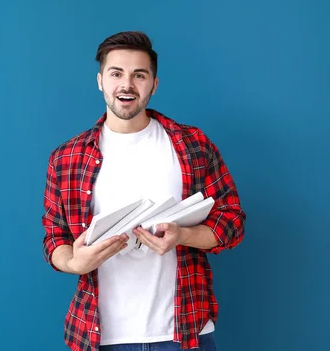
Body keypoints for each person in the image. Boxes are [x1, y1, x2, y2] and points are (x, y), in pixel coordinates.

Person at [41, 31, 246, 351]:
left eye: (139, 75)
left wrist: (183, 236)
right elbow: (55, 238)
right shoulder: (66, 158)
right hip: (101, 337)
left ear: (154, 84)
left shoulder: (193, 145)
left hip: (184, 333)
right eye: (116, 73)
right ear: (100, 81)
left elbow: (232, 221)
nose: (127, 85)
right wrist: (74, 263)